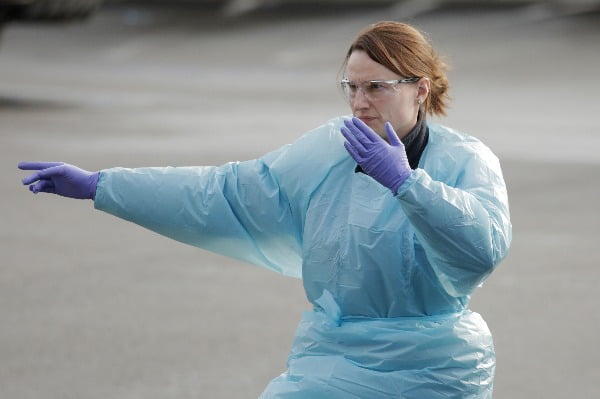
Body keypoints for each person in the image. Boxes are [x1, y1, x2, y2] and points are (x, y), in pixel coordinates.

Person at [18, 21, 511, 399]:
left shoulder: (465, 160)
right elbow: (227, 192)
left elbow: (480, 251)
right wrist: (102, 186)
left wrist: (406, 183)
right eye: (351, 86)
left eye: (376, 87)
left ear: (420, 90)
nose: (360, 102)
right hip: (333, 359)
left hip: (432, 369)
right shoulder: (329, 151)